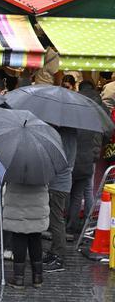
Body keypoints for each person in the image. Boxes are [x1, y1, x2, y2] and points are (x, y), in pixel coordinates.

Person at [68, 81, 104, 234]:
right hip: (88, 161)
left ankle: (68, 225)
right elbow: (106, 131)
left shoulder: (74, 117)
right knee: (83, 193)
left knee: (68, 193)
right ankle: (87, 224)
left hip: (73, 161)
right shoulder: (97, 111)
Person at [4, 181, 49, 289]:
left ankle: (18, 278)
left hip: (17, 207)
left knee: (19, 239)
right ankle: (37, 277)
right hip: (37, 207)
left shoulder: (13, 168)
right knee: (36, 238)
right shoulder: (42, 168)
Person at [44, 126, 76, 273]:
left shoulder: (63, 134)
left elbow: (59, 159)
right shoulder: (72, 132)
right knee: (55, 219)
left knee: (56, 220)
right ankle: (54, 251)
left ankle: (59, 257)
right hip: (61, 182)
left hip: (59, 183)